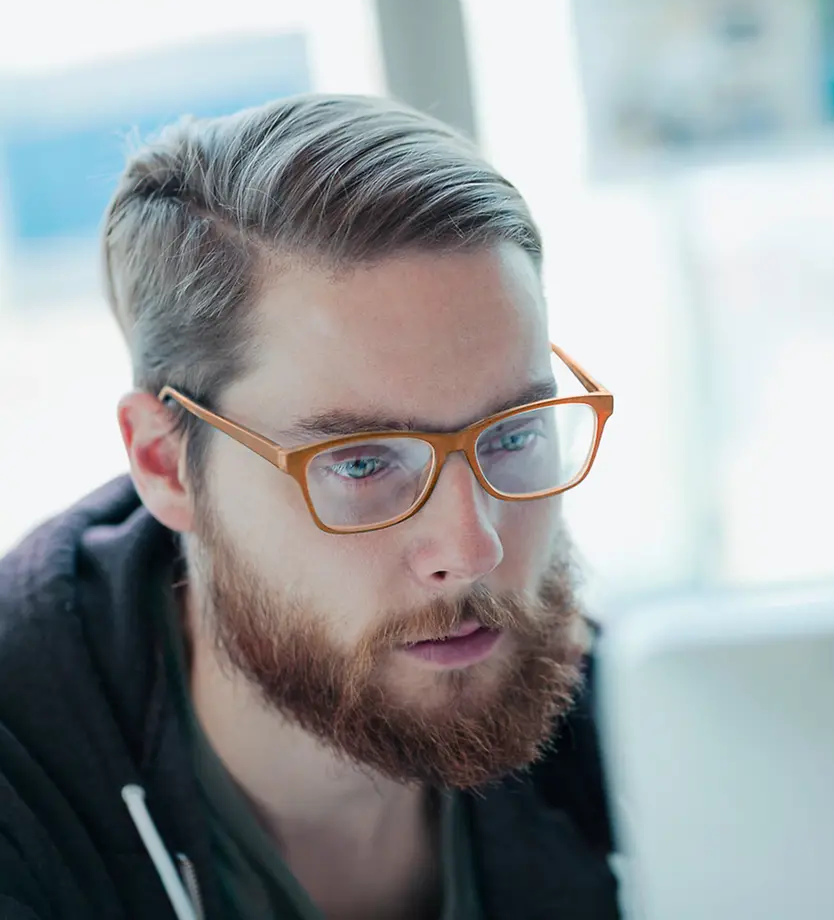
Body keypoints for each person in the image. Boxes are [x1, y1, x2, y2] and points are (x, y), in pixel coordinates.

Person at [0, 94, 620, 919]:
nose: (472, 548)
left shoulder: (640, 735)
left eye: (511, 435)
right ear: (166, 465)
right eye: (361, 462)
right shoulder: (24, 802)